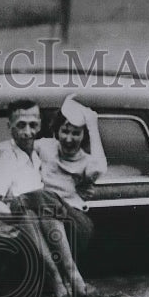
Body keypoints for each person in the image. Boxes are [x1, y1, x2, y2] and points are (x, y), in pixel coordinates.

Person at [0, 99, 84, 297]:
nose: (28, 132)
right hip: (9, 230)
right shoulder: (5, 155)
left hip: (40, 227)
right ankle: (60, 276)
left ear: (40, 124)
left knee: (38, 203)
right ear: (9, 126)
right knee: (29, 205)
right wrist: (22, 211)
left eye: (33, 125)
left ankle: (67, 273)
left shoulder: (37, 155)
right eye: (21, 125)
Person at [33, 94, 107, 257]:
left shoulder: (87, 162)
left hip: (75, 221)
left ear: (84, 136)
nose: (68, 138)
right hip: (46, 218)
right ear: (56, 130)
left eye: (76, 133)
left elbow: (99, 168)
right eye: (64, 131)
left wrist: (93, 127)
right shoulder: (45, 147)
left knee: (45, 198)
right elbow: (20, 149)